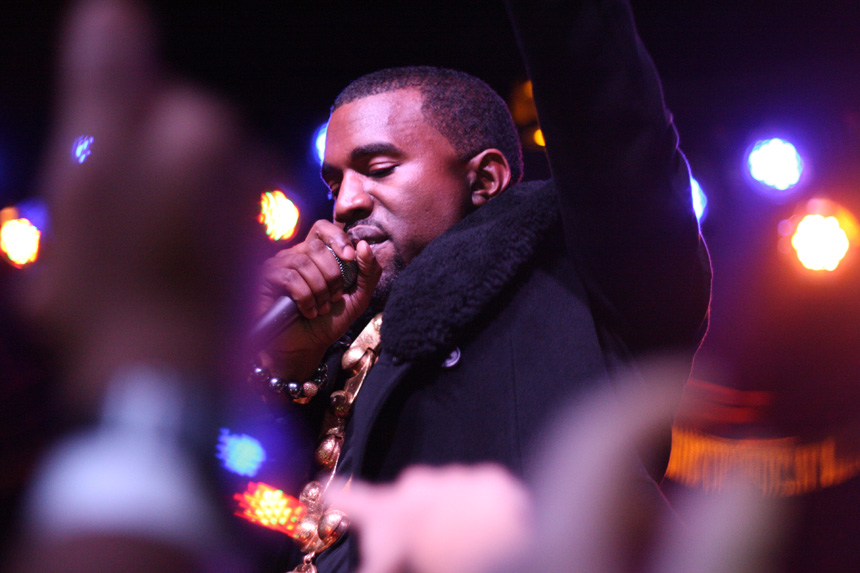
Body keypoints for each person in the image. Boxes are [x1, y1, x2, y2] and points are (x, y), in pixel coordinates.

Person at [256, 0, 711, 570]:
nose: (345, 203)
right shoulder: (346, 346)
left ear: (485, 180)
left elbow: (603, 99)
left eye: (378, 170)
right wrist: (283, 362)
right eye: (334, 183)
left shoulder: (586, 279)